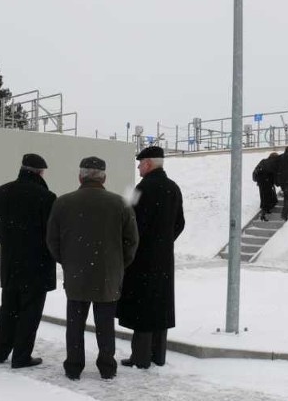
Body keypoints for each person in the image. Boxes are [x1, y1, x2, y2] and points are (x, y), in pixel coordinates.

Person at [47, 156, 139, 380]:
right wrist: (118, 263)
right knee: (105, 324)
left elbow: (52, 240)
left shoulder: (63, 203)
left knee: (75, 324)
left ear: (80, 176)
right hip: (108, 274)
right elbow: (132, 240)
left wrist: (67, 262)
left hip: (76, 273)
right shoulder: (119, 203)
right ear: (104, 177)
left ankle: (74, 365)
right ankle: (107, 366)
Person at [117, 146, 185, 369]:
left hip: (141, 258)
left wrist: (130, 247)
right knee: (160, 305)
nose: (138, 167)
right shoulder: (174, 188)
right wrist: (164, 241)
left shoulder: (139, 188)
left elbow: (126, 221)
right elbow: (180, 223)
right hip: (164, 258)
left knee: (142, 307)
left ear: (148, 164)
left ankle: (141, 357)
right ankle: (159, 355)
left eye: (140, 163)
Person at [0, 153, 57, 369]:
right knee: (30, 311)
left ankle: (0, 352)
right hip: (37, 264)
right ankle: (21, 356)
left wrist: (9, 243)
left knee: (8, 308)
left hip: (10, 263)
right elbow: (52, 233)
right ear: (40, 172)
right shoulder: (46, 197)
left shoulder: (1, 192)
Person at [252, 152, 279, 221]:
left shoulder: (263, 161)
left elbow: (256, 170)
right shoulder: (274, 162)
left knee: (264, 196)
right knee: (270, 198)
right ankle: (263, 214)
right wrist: (276, 183)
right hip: (267, 181)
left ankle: (266, 210)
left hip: (261, 181)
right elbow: (274, 173)